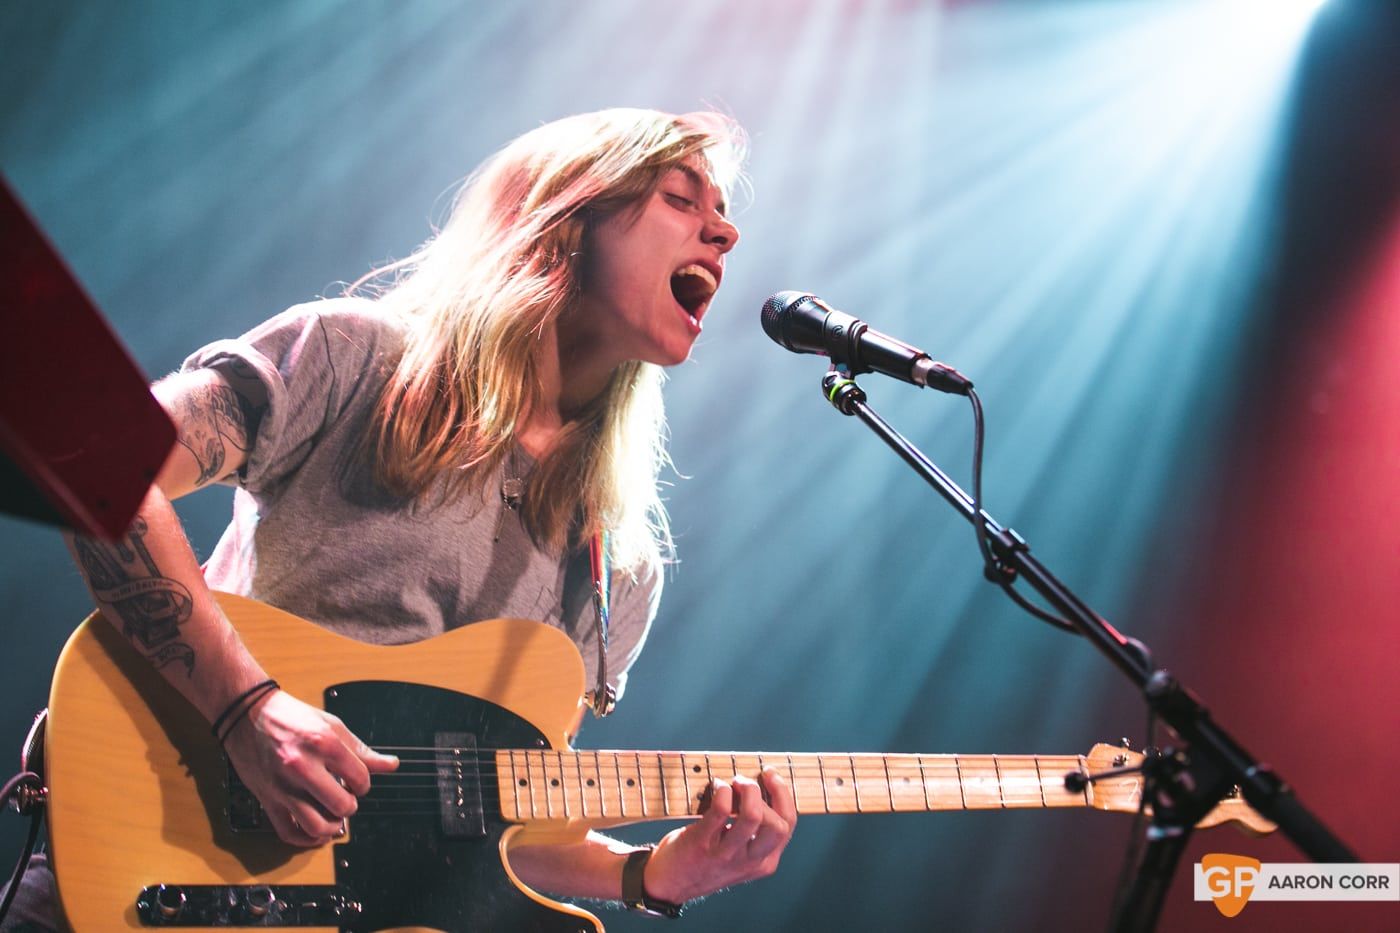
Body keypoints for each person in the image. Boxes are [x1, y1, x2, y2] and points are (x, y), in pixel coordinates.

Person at [1, 108, 796, 930]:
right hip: (152, 867)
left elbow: (479, 819)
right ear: (566, 214)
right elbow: (100, 464)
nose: (726, 233)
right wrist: (246, 709)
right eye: (680, 197)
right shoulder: (356, 357)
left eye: (724, 211)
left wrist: (653, 872)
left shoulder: (619, 564)